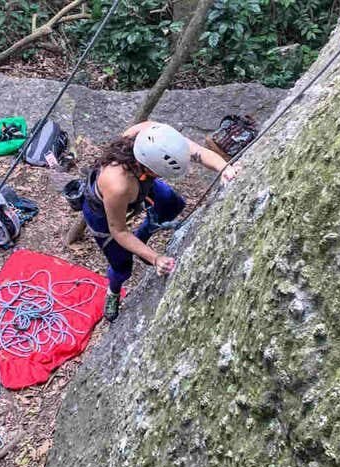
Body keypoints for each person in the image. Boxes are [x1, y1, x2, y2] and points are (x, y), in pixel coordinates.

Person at [82, 121, 239, 322]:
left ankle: (141, 238)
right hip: (101, 213)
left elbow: (198, 152)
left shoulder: (160, 139)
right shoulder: (118, 184)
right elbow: (119, 231)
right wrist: (155, 258)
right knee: (122, 266)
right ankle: (113, 291)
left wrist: (224, 168)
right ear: (150, 168)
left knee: (172, 204)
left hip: (141, 183)